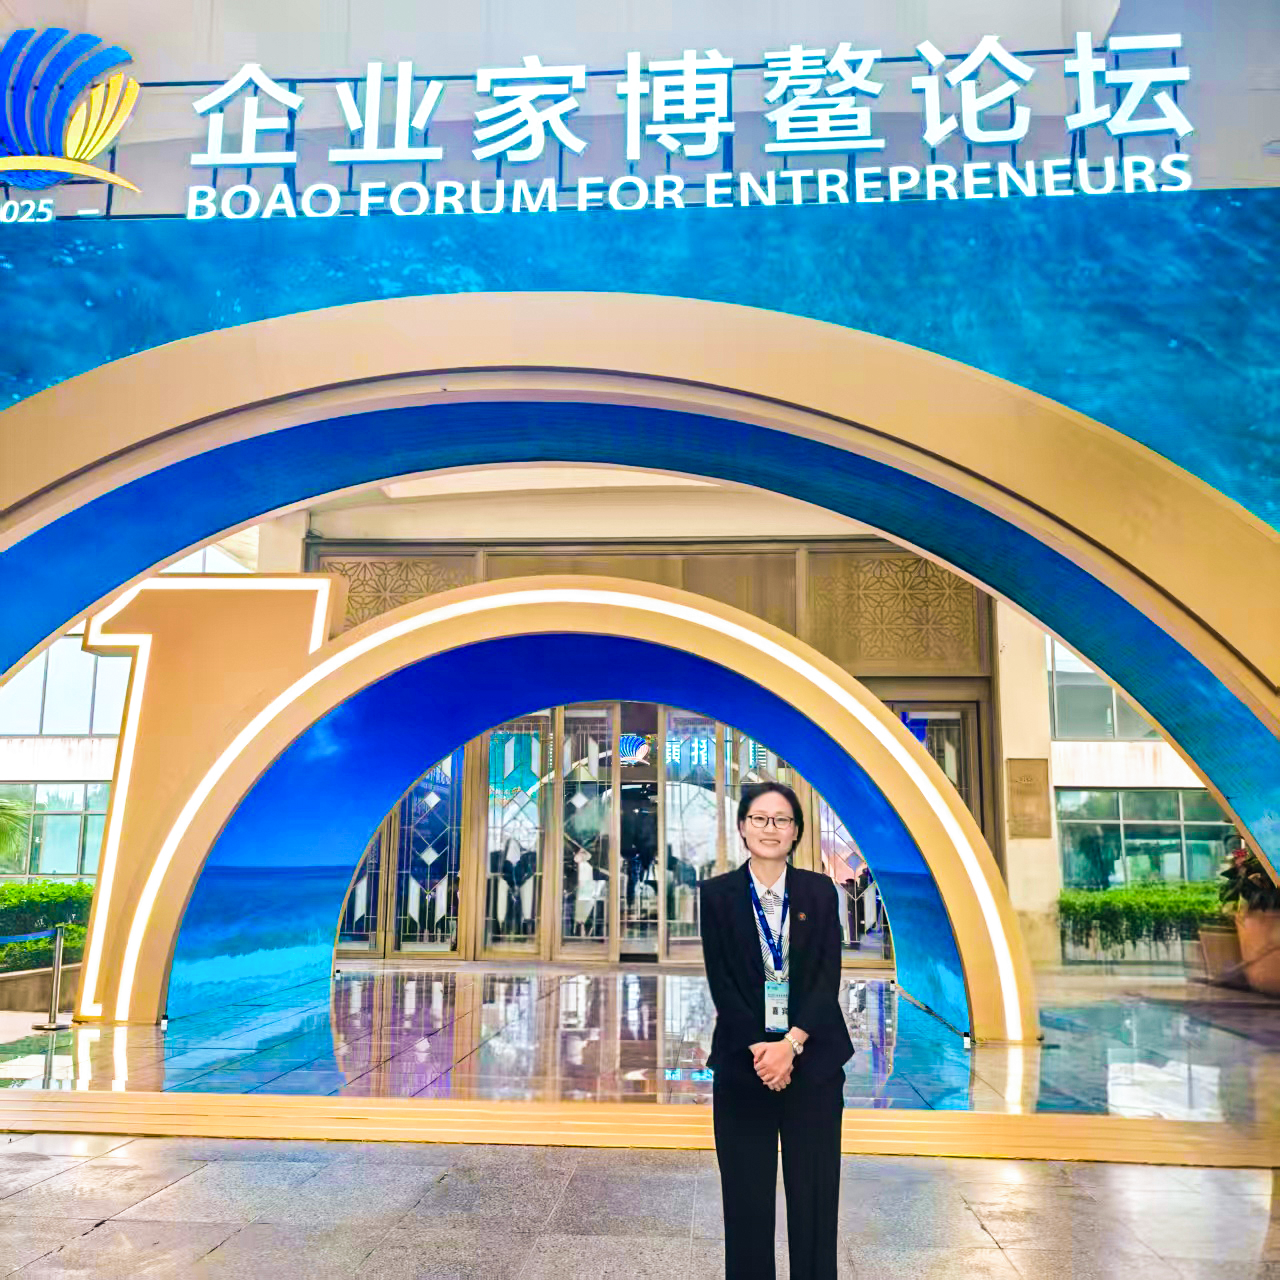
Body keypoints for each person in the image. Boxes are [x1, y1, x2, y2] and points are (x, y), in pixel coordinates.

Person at [699, 781, 853, 1279]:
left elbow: (827, 975)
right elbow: (722, 982)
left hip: (814, 1062)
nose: (771, 828)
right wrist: (762, 1050)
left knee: (815, 1198)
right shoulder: (717, 895)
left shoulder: (819, 891)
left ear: (796, 832)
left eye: (782, 819)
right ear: (743, 827)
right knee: (746, 1200)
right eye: (760, 818)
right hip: (744, 1066)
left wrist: (791, 1044)